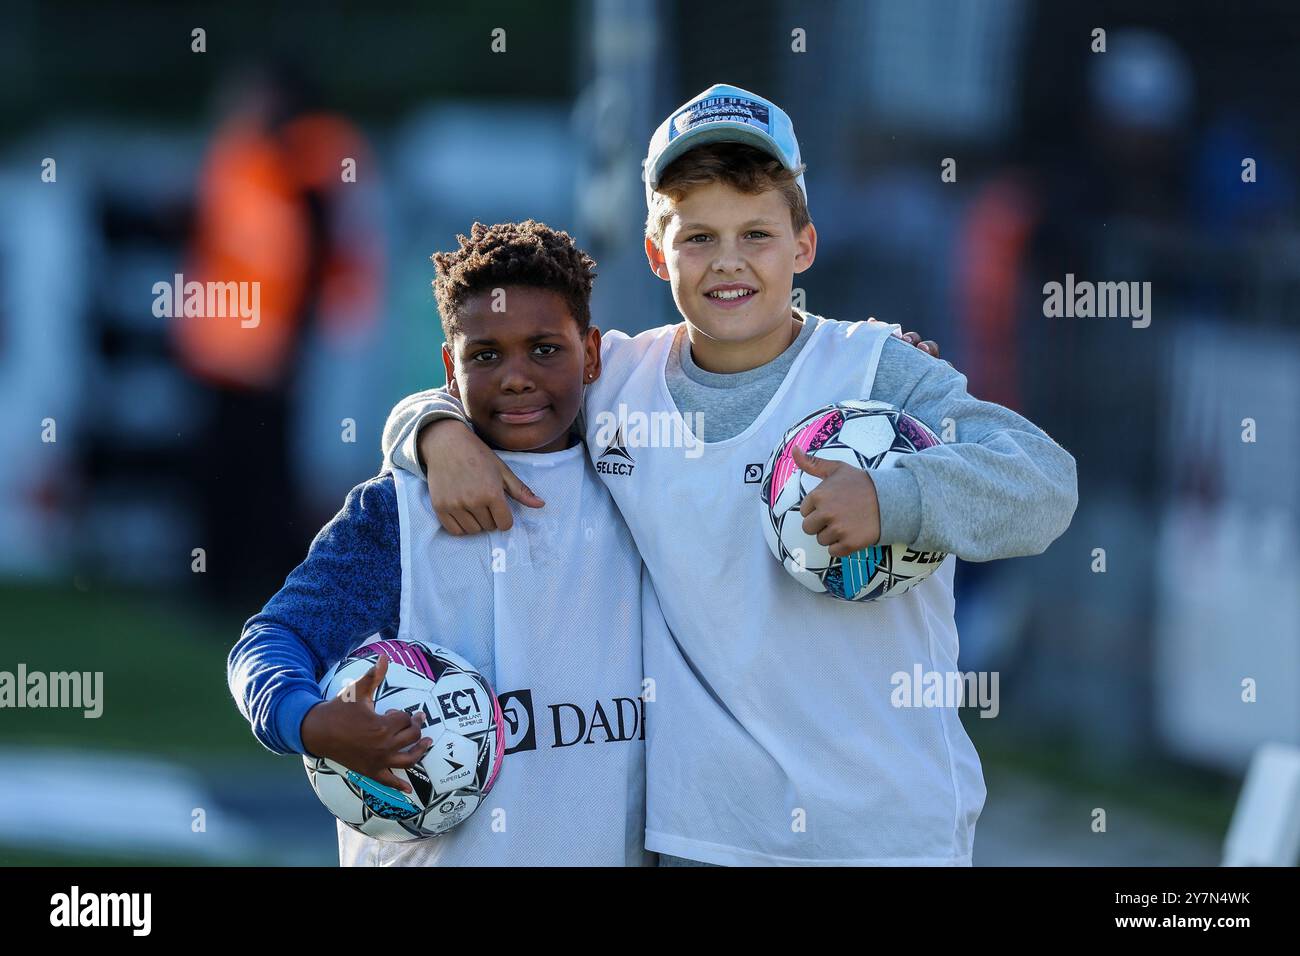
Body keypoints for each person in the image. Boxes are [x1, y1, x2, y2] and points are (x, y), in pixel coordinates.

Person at [382, 84, 1079, 866]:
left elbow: (1044, 483)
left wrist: (892, 498)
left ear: (804, 244)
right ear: (654, 252)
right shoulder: (617, 382)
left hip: (885, 834)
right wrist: (434, 432)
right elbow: (492, 384)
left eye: (757, 233)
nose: (729, 262)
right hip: (704, 836)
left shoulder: (875, 368)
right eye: (698, 237)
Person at [228, 220, 652, 865]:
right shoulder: (399, 513)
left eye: (544, 349)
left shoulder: (640, 481)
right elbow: (270, 641)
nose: (516, 377)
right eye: (486, 355)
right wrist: (312, 721)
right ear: (450, 367)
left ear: (591, 353)